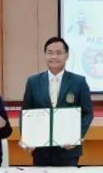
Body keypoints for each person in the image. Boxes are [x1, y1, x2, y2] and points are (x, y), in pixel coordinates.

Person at [20, 37, 93, 166]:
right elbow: (25, 113)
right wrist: (26, 137)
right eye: (50, 52)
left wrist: (77, 135)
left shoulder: (79, 81)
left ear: (67, 56)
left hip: (68, 150)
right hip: (41, 150)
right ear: (45, 55)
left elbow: (87, 113)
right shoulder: (33, 82)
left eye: (59, 53)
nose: (54, 56)